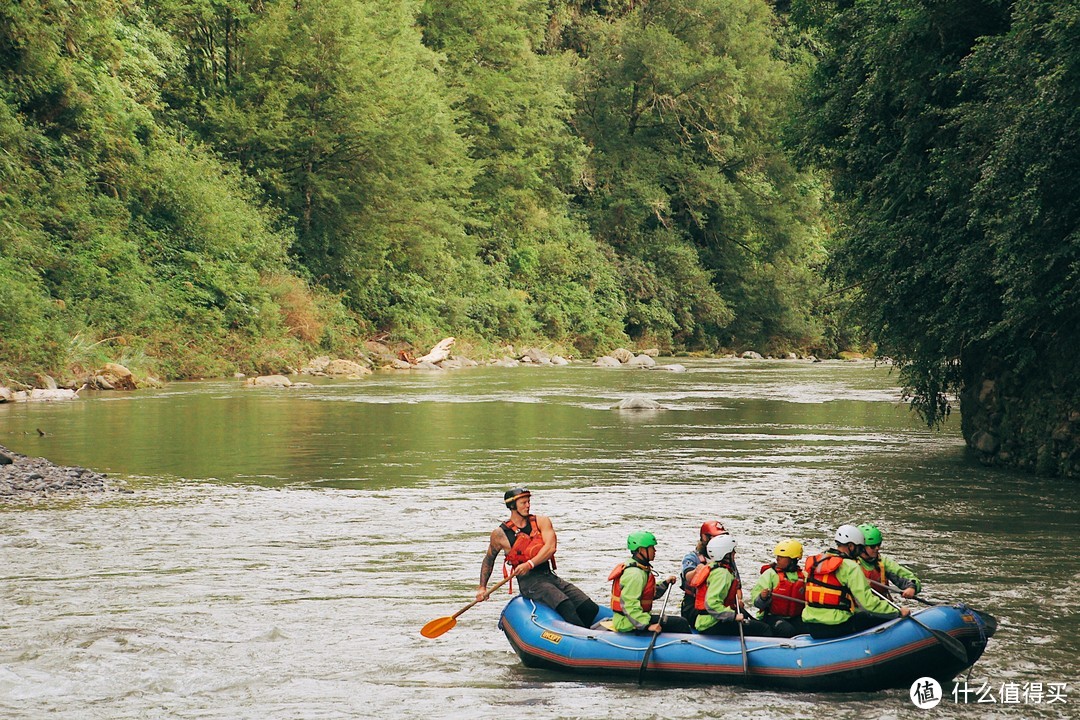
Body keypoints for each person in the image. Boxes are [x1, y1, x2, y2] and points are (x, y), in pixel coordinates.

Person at [476, 487, 599, 627]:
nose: (528, 505)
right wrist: (482, 588)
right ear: (512, 506)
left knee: (590, 608)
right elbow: (488, 560)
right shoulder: (500, 534)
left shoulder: (542, 521)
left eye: (528, 502)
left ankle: (584, 633)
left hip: (549, 576)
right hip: (529, 582)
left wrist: (529, 564)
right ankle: (583, 637)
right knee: (566, 605)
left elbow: (550, 548)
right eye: (523, 503)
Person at [801, 524, 910, 639]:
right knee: (873, 616)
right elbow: (868, 603)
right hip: (837, 626)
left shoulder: (817, 562)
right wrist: (897, 612)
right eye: (859, 548)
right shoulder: (850, 566)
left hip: (812, 627)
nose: (860, 552)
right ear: (851, 546)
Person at [609, 531, 692, 634]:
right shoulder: (635, 575)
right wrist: (647, 626)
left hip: (632, 619)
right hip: (626, 622)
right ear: (641, 550)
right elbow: (629, 604)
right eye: (651, 547)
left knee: (678, 622)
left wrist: (665, 583)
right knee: (680, 623)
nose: (655, 550)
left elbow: (649, 593)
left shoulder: (640, 569)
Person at [691, 534, 773, 636]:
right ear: (725, 553)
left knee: (755, 623)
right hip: (712, 623)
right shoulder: (722, 574)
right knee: (763, 629)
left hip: (711, 620)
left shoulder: (714, 567)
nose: (735, 553)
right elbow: (711, 604)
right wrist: (733, 616)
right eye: (732, 551)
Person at [751, 539, 807, 638]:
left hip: (795, 617)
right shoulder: (770, 574)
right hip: (771, 617)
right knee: (786, 630)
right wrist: (763, 597)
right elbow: (756, 603)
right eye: (777, 556)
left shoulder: (803, 576)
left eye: (781, 557)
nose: (777, 559)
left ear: (792, 559)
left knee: (808, 628)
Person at [679, 520, 728, 627]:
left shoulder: (726, 559)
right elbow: (688, 577)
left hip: (719, 606)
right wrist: (701, 570)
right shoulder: (692, 558)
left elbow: (737, 586)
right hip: (695, 607)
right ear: (705, 538)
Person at [857, 523, 923, 600]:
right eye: (872, 546)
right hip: (857, 608)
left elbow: (906, 576)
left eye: (879, 544)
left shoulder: (882, 562)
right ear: (861, 547)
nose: (877, 548)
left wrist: (912, 587)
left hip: (880, 607)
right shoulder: (850, 564)